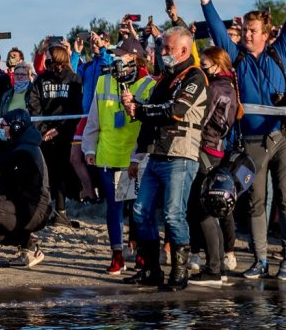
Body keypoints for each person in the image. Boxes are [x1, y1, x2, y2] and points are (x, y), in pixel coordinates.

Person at [197, 0, 286, 280]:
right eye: (245, 30)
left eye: (252, 31)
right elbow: (220, 35)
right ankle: (261, 260)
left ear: (266, 32)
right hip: (251, 139)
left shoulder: (280, 50)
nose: (246, 35)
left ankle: (285, 259)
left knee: (285, 200)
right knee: (256, 202)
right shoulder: (238, 58)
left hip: (282, 136)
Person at [123, 26, 209, 290]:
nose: (162, 53)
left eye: (167, 49)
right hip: (157, 153)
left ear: (184, 50)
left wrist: (142, 108)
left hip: (181, 154)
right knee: (140, 211)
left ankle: (179, 272)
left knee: (173, 214)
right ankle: (151, 269)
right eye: (161, 48)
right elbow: (151, 111)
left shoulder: (194, 76)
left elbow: (175, 110)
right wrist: (134, 106)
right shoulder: (164, 78)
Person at [81, 39, 155, 276]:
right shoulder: (104, 80)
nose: (117, 59)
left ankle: (142, 253)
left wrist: (139, 156)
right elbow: (93, 118)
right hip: (107, 155)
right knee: (113, 208)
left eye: (122, 55)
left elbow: (149, 126)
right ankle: (117, 255)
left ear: (134, 58)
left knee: (138, 209)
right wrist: (89, 149)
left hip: (134, 157)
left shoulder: (148, 85)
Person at [186, 46, 240, 286]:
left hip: (205, 150)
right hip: (216, 151)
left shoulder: (216, 88)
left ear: (218, 65)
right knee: (211, 209)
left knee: (203, 210)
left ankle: (214, 269)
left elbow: (200, 119)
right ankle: (217, 266)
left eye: (205, 66)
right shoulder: (230, 87)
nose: (203, 69)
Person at [0, 108, 51, 265]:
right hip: (30, 204)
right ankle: (28, 243)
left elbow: (12, 185)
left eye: (3, 126)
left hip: (36, 207)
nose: (0, 129)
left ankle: (29, 245)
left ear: (16, 127)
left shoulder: (24, 151)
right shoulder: (21, 145)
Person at [33, 40, 82, 226]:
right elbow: (34, 106)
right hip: (46, 133)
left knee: (60, 171)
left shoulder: (74, 79)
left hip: (63, 132)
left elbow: (76, 109)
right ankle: (48, 210)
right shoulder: (41, 79)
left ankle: (60, 211)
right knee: (47, 172)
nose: (46, 60)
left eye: (49, 57)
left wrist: (58, 130)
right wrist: (44, 130)